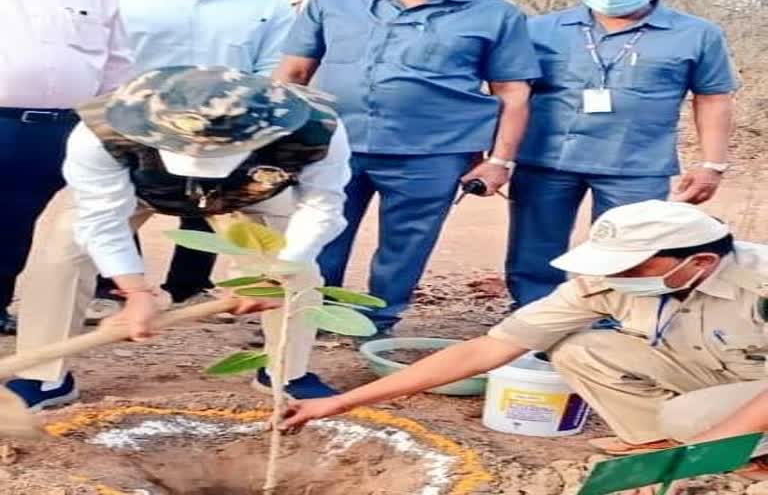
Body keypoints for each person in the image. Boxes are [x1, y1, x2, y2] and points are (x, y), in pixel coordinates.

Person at [278, 200, 768, 482]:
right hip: (715, 373)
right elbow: (487, 349)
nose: (614, 276)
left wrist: (699, 449)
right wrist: (341, 402)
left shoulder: (760, 279)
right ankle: (662, 450)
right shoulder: (601, 283)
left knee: (692, 419)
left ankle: (723, 458)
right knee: (580, 349)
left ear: (699, 262)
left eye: (631, 267)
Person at [6, 66, 351, 411]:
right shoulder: (103, 129)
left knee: (299, 276)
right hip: (137, 188)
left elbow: (322, 206)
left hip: (254, 191)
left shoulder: (315, 130)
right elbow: (101, 216)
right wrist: (135, 291)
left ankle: (285, 373)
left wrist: (279, 271)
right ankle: (44, 377)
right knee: (59, 260)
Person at [274, 0, 541, 333]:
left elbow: (513, 92)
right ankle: (308, 313)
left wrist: (500, 161)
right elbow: (293, 74)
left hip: (434, 151)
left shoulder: (496, 16)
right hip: (334, 144)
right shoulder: (332, 2)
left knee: (406, 245)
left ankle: (377, 322)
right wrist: (276, 139)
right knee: (316, 233)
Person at [505, 0, 738, 308]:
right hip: (546, 161)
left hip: (635, 165)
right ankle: (532, 315)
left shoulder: (697, 34)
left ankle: (615, 321)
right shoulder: (539, 30)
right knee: (533, 248)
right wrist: (498, 156)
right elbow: (511, 93)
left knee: (631, 250)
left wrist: (712, 164)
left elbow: (713, 97)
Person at [86, 0, 296, 321]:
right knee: (117, 206)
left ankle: (191, 285)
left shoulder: (268, 7)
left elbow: (271, 74)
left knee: (210, 200)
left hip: (227, 129)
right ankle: (113, 287)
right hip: (136, 126)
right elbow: (106, 63)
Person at [0, 0, 132, 334]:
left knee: (45, 224)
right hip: (4, 122)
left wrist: (111, 127)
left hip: (73, 127)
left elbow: (117, 64)